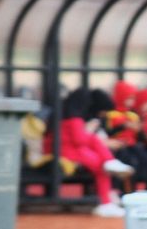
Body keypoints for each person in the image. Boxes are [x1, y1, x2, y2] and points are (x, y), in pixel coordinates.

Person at [43, 87, 133, 217]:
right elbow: (80, 139)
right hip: (67, 151)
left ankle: (107, 198)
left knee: (101, 161)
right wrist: (90, 131)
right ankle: (106, 199)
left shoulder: (64, 114)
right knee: (101, 163)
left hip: (67, 150)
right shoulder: (74, 118)